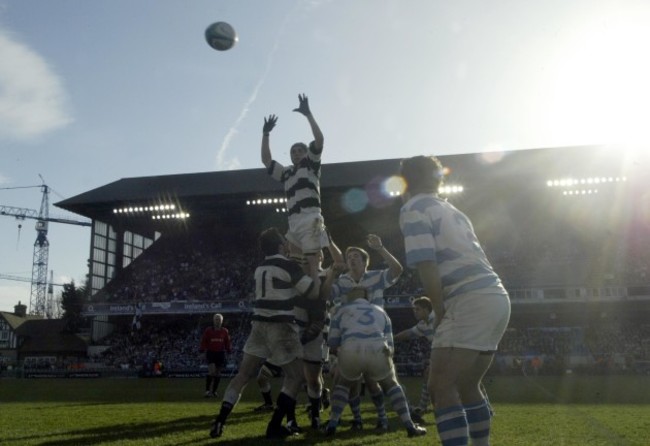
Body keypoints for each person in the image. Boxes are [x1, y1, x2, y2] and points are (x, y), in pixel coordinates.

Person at [399, 155, 511, 446]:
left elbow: (426, 263)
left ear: (405, 181)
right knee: (467, 383)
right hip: (495, 295)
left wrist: (439, 310)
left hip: (469, 297)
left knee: (440, 386)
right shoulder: (451, 209)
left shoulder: (414, 208)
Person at [209, 227, 315, 440]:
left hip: (258, 325)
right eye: (284, 243)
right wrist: (311, 267)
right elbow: (311, 291)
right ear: (279, 245)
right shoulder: (288, 265)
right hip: (281, 326)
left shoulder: (261, 268)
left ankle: (220, 420)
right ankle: (275, 425)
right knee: (295, 377)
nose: (287, 245)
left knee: (243, 375)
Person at [323, 287, 426, 438]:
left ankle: (332, 424)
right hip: (377, 347)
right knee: (391, 384)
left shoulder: (341, 310)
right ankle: (409, 426)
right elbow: (390, 345)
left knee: (344, 384)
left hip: (351, 348)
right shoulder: (380, 311)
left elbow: (332, 343)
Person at [329, 234, 403, 431]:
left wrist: (380, 249)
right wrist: (331, 273)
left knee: (372, 381)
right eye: (349, 256)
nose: (351, 258)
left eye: (355, 256)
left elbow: (397, 270)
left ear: (364, 262)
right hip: (350, 336)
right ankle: (358, 419)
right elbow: (326, 294)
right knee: (346, 380)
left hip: (375, 335)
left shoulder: (376, 276)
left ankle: (382, 417)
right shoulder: (343, 281)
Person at [261, 93, 327, 294]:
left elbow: (319, 139)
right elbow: (266, 161)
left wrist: (308, 115)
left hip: (310, 218)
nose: (296, 153)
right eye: (293, 151)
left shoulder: (311, 165)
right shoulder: (287, 172)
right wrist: (265, 134)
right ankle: (301, 294)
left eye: (300, 151)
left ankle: (317, 296)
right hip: (294, 222)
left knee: (313, 263)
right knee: (295, 261)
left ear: (306, 153)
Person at [393, 296, 436, 422]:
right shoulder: (423, 325)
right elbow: (408, 333)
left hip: (452, 350)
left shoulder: (439, 318)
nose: (414, 312)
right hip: (442, 352)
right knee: (428, 375)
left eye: (417, 309)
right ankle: (422, 408)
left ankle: (424, 409)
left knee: (466, 380)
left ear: (426, 309)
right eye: (414, 309)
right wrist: (392, 338)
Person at [199, 313, 232, 397]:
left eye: (219, 319)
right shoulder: (208, 330)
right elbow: (204, 341)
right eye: (216, 319)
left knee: (218, 373)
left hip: (221, 353)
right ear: (213, 320)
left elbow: (227, 342)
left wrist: (229, 352)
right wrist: (202, 351)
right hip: (211, 353)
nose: (217, 321)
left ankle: (214, 391)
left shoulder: (225, 331)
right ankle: (207, 391)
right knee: (212, 371)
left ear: (222, 321)